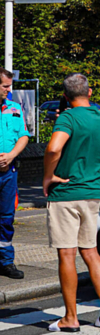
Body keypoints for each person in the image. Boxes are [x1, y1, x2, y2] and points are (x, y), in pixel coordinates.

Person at [43, 73, 100, 331]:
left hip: (67, 193)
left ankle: (71, 318)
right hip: (92, 191)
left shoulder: (67, 117)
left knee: (67, 253)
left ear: (65, 97)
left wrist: (48, 176)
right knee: (90, 251)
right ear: (90, 92)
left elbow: (54, 148)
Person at [0, 68, 30, 279]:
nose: (9, 89)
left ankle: (5, 261)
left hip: (8, 172)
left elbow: (24, 136)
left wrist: (10, 156)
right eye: (5, 86)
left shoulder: (14, 108)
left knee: (6, 217)